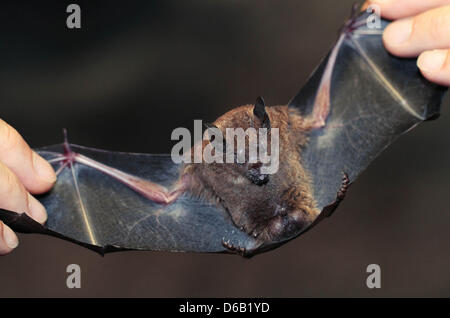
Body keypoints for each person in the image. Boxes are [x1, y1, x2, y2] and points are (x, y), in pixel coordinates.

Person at [1, 0, 449, 255]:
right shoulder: (200, 164)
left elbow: (318, 117)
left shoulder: (284, 123)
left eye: (260, 155)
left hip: (302, 203)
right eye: (247, 161)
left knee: (360, 40)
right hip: (256, 228)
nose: (257, 167)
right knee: (69, 169)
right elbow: (163, 193)